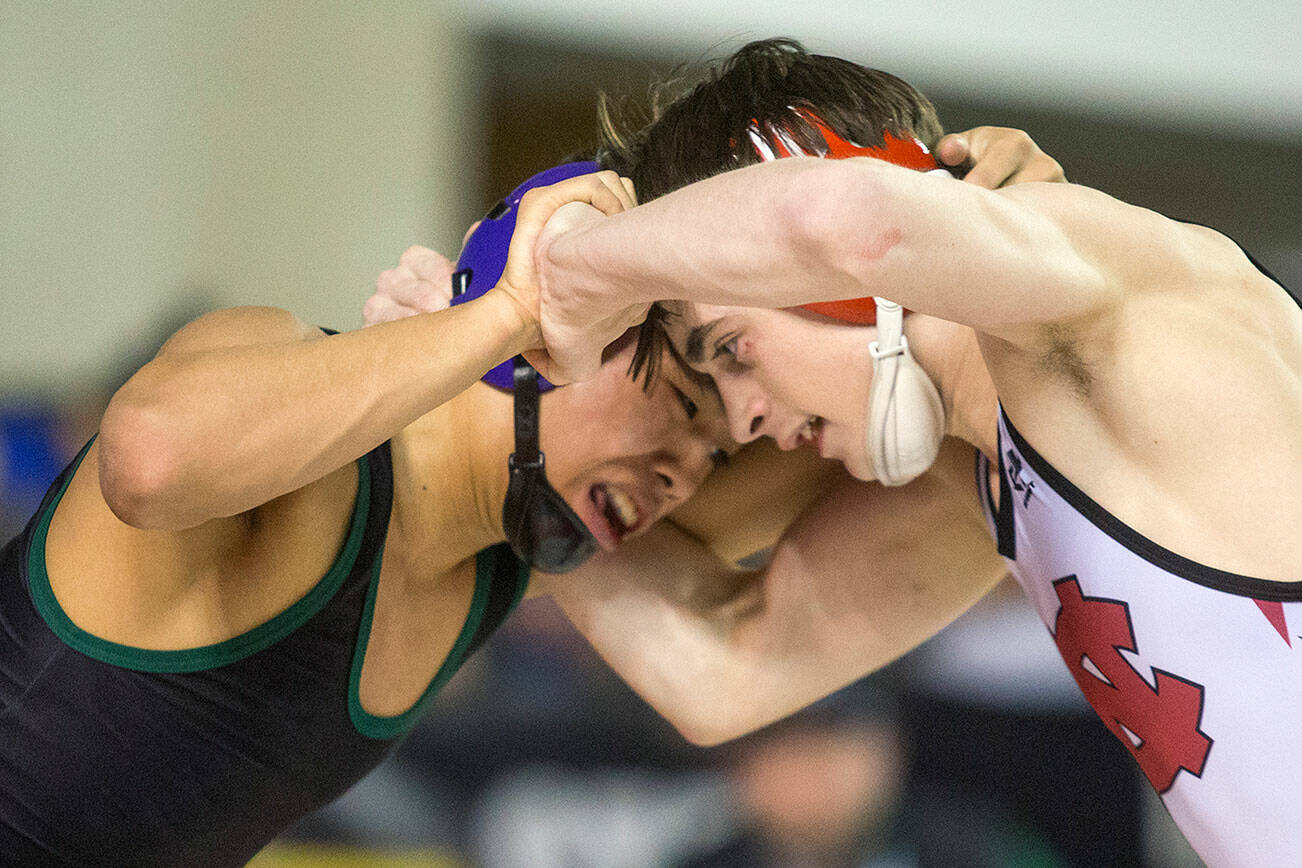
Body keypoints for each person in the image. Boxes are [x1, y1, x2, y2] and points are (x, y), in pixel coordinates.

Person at [0, 121, 1059, 864]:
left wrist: (968, 240)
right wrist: (507, 312)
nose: (692, 468)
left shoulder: (512, 548)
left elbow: (863, 434)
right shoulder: (306, 447)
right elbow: (147, 460)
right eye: (686, 398)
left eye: (718, 446)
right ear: (565, 313)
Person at [516, 38, 1302, 866]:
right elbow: (724, 678)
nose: (744, 421)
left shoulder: (1113, 293)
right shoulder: (985, 462)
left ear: (850, 288)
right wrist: (514, 441)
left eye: (735, 350)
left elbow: (842, 217)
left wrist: (566, 268)